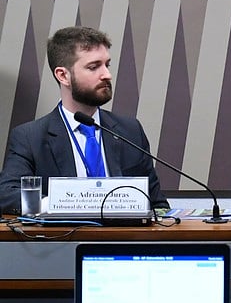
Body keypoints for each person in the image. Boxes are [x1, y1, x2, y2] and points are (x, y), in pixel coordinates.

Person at [0, 26, 169, 215]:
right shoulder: (30, 137)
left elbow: (158, 204)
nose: (107, 75)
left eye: (107, 64)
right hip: (65, 242)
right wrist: (61, 204)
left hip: (124, 241)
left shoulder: (130, 131)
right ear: (63, 75)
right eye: (94, 67)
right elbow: (6, 195)